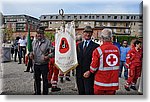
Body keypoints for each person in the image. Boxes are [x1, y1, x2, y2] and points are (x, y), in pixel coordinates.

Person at [84, 28, 120, 95]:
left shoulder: (98, 50)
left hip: (100, 83)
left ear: (101, 38)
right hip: (113, 83)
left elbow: (93, 67)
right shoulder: (116, 49)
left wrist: (89, 71)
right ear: (111, 38)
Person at [30, 26, 53, 95]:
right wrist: (31, 55)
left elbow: (53, 52)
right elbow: (31, 51)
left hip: (44, 64)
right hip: (36, 64)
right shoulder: (34, 42)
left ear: (43, 34)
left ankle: (45, 93)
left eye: (41, 33)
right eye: (38, 33)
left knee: (45, 80)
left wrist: (48, 56)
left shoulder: (48, 42)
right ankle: (37, 93)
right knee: (36, 80)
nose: (39, 35)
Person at [76, 26, 99, 95]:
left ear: (92, 34)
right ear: (83, 33)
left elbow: (97, 62)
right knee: (81, 92)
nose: (88, 34)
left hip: (89, 74)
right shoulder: (79, 45)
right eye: (86, 32)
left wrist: (90, 71)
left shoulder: (96, 46)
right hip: (79, 73)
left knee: (89, 92)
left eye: (89, 32)